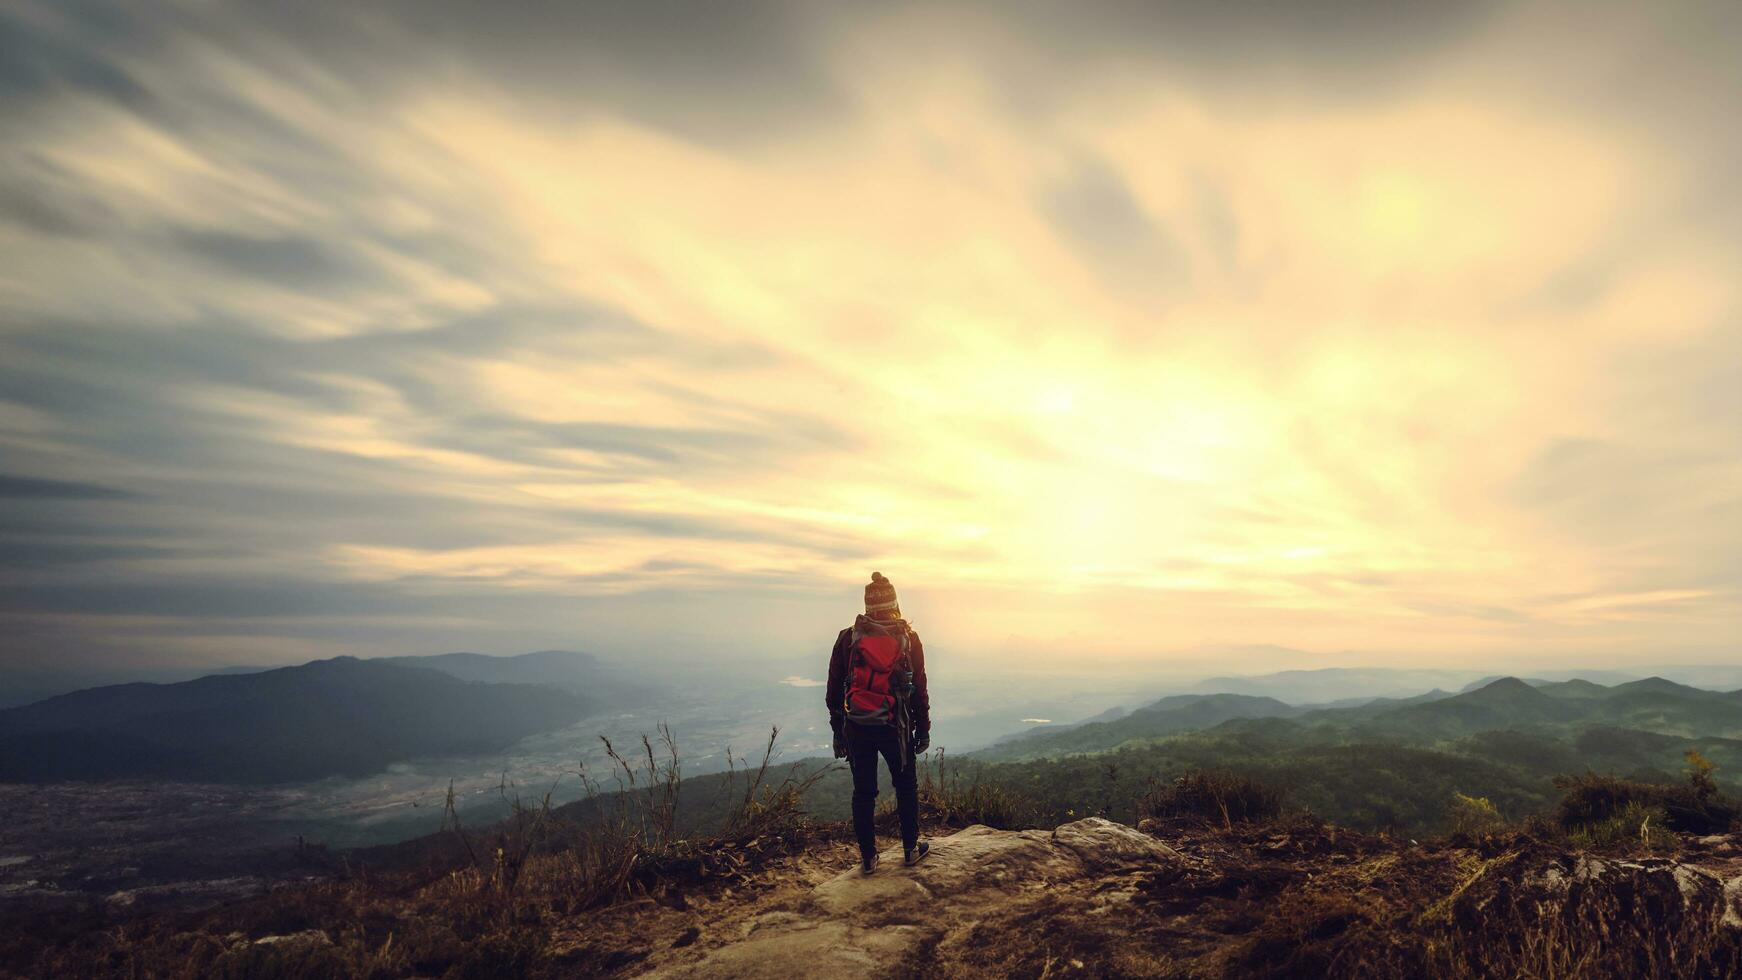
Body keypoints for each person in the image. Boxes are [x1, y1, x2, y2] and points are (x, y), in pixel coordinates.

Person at [826, 572, 931, 875]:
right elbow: (919, 690)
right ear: (895, 602)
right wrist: (922, 729)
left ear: (868, 605)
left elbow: (834, 691)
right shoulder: (908, 638)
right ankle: (910, 849)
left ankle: (868, 858)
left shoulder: (848, 638)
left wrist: (839, 732)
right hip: (895, 727)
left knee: (864, 792)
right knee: (905, 786)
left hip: (857, 725)